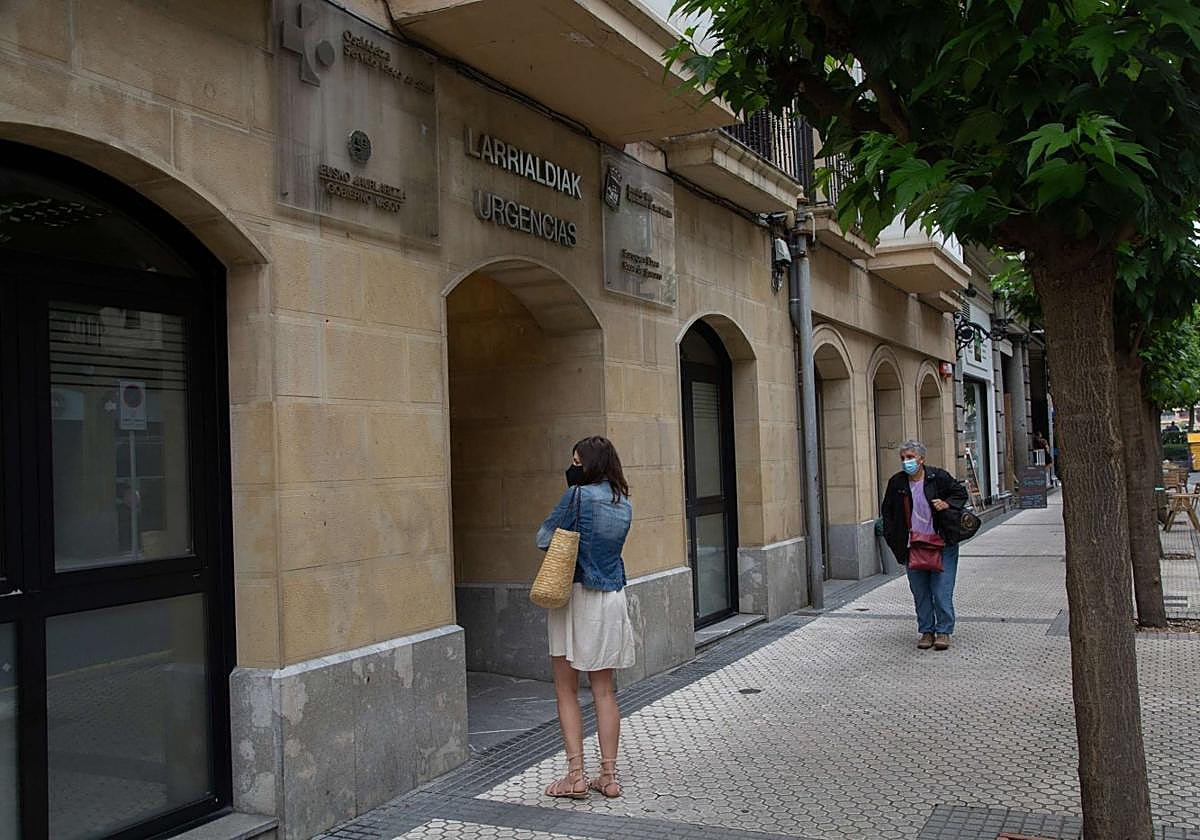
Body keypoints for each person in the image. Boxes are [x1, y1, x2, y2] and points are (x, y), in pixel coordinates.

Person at [535, 436, 635, 800]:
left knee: (565, 688)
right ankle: (608, 777)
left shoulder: (577, 497)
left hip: (574, 597)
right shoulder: (624, 502)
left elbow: (544, 538)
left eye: (577, 462)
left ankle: (575, 776)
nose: (572, 467)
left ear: (588, 464)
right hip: (611, 598)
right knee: (604, 691)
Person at [879, 440, 970, 651]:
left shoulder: (938, 477)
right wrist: (895, 541)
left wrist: (946, 504)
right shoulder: (897, 483)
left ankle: (944, 631)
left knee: (941, 589)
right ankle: (927, 631)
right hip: (913, 546)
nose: (906, 462)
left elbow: (960, 494)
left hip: (941, 543)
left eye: (910, 457)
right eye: (903, 458)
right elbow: (889, 514)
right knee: (920, 591)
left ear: (921, 459)